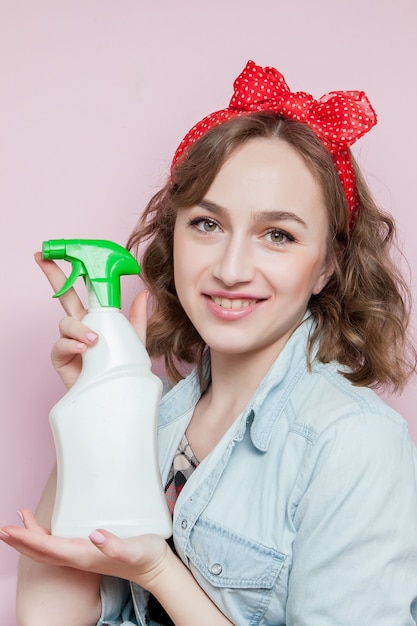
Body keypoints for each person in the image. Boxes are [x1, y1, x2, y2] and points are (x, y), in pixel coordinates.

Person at [2, 60, 417, 625]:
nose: (231, 267)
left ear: (327, 265)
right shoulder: (156, 416)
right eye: (206, 223)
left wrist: (157, 572)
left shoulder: (352, 444)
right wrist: (96, 405)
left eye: (278, 235)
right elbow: (48, 619)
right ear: (174, 233)